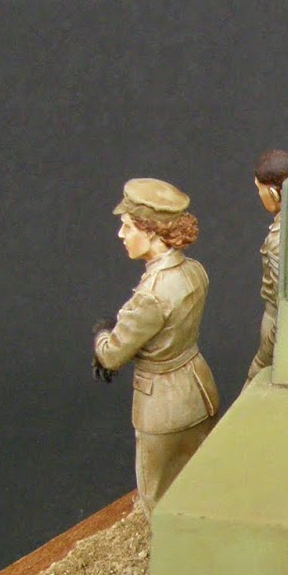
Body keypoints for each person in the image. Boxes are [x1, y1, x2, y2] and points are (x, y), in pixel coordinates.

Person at [93, 178, 220, 511]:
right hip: (198, 388)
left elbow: (111, 355)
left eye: (127, 226)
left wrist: (102, 335)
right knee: (200, 480)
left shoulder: (150, 295)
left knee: (156, 495)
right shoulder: (195, 271)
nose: (121, 234)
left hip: (161, 404)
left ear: (150, 231)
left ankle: (169, 545)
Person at [245, 148, 288, 384]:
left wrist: (262, 360)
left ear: (272, 192)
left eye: (259, 189)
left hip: (277, 324)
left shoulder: (279, 240)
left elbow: (283, 309)